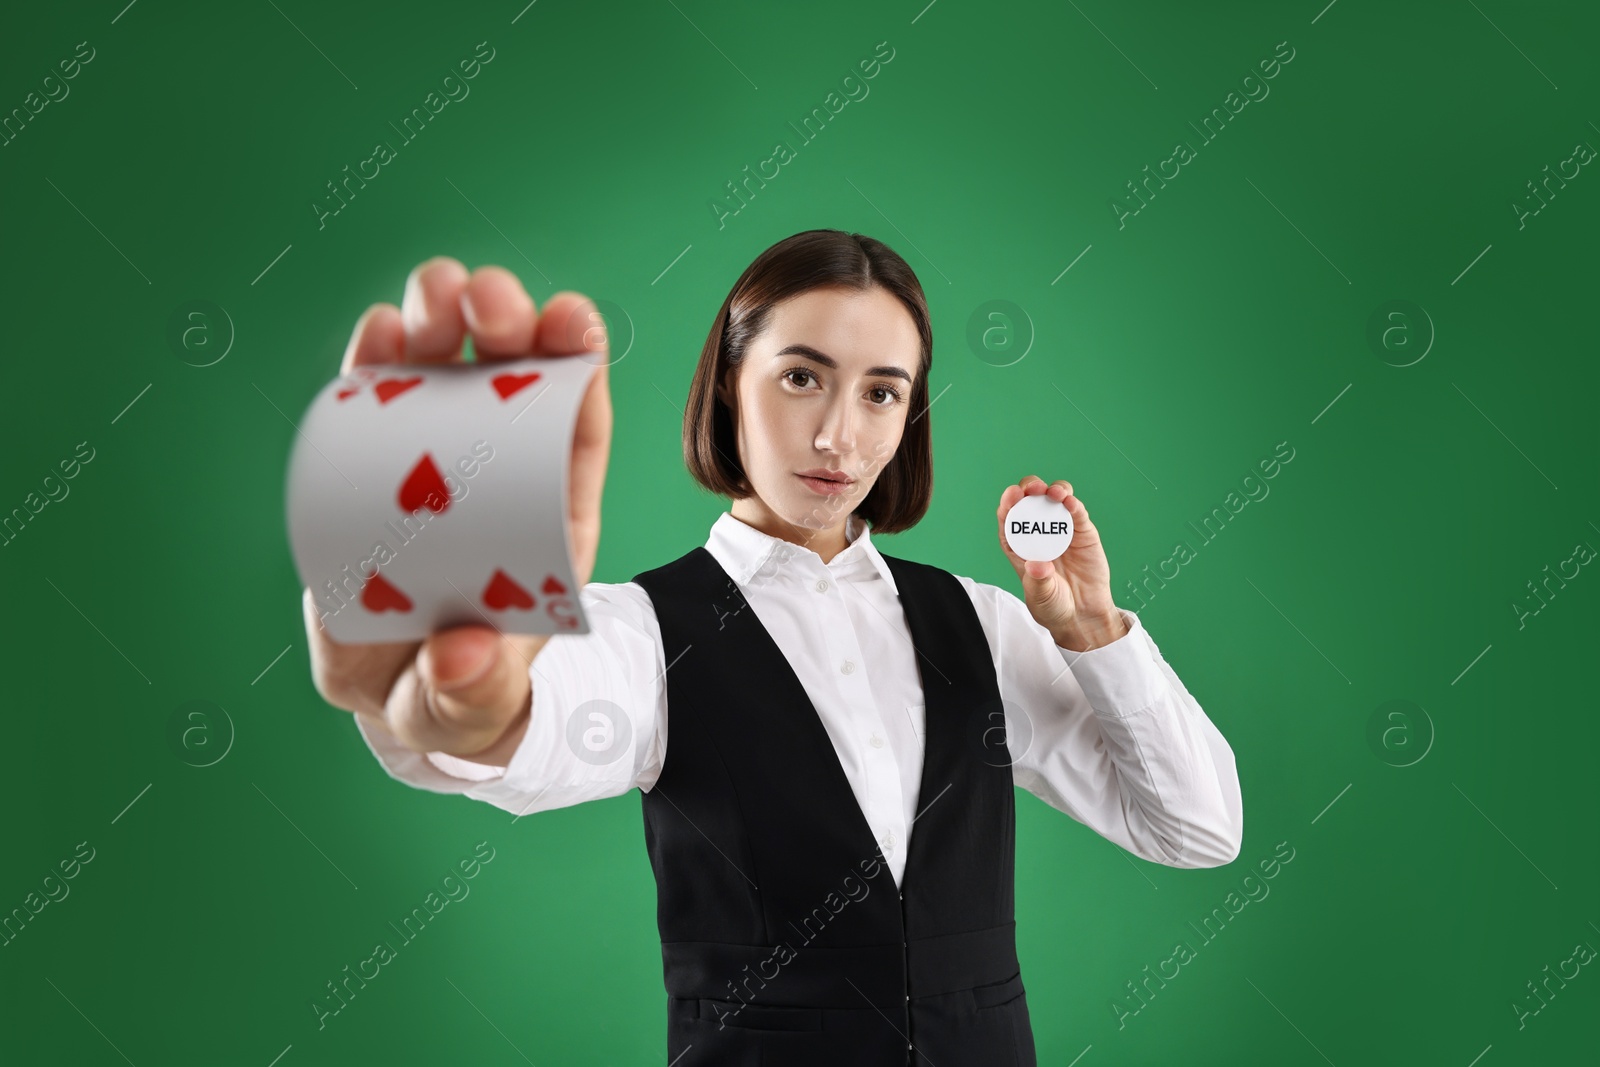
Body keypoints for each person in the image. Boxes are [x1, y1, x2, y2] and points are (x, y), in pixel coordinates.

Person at [304, 229, 1243, 1065]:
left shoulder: (987, 623)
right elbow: (524, 715)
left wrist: (1095, 637)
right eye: (802, 376)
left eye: (882, 392)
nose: (839, 433)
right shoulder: (642, 630)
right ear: (729, 384)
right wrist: (473, 704)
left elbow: (1199, 829)